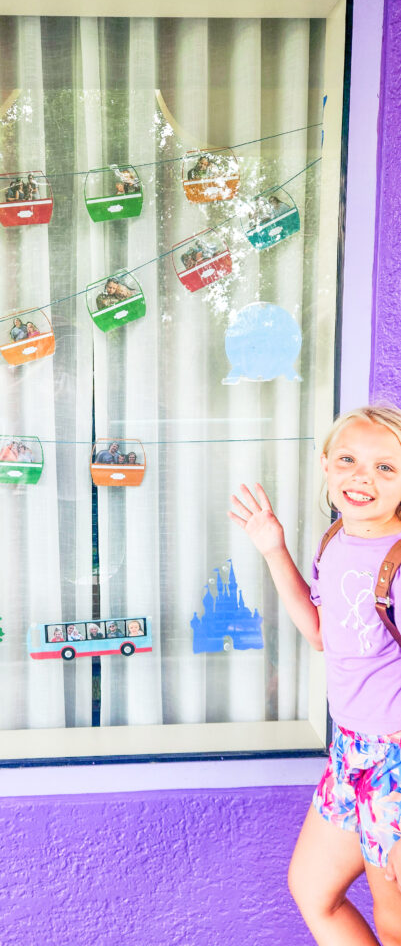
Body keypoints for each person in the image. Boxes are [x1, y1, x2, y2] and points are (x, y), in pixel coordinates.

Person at [228, 405, 401, 946]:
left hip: (395, 762)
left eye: (385, 468)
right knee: (312, 889)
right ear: (325, 465)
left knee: (395, 921)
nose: (361, 477)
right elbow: (323, 633)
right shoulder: (337, 542)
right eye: (348, 459)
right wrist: (273, 547)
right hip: (351, 753)